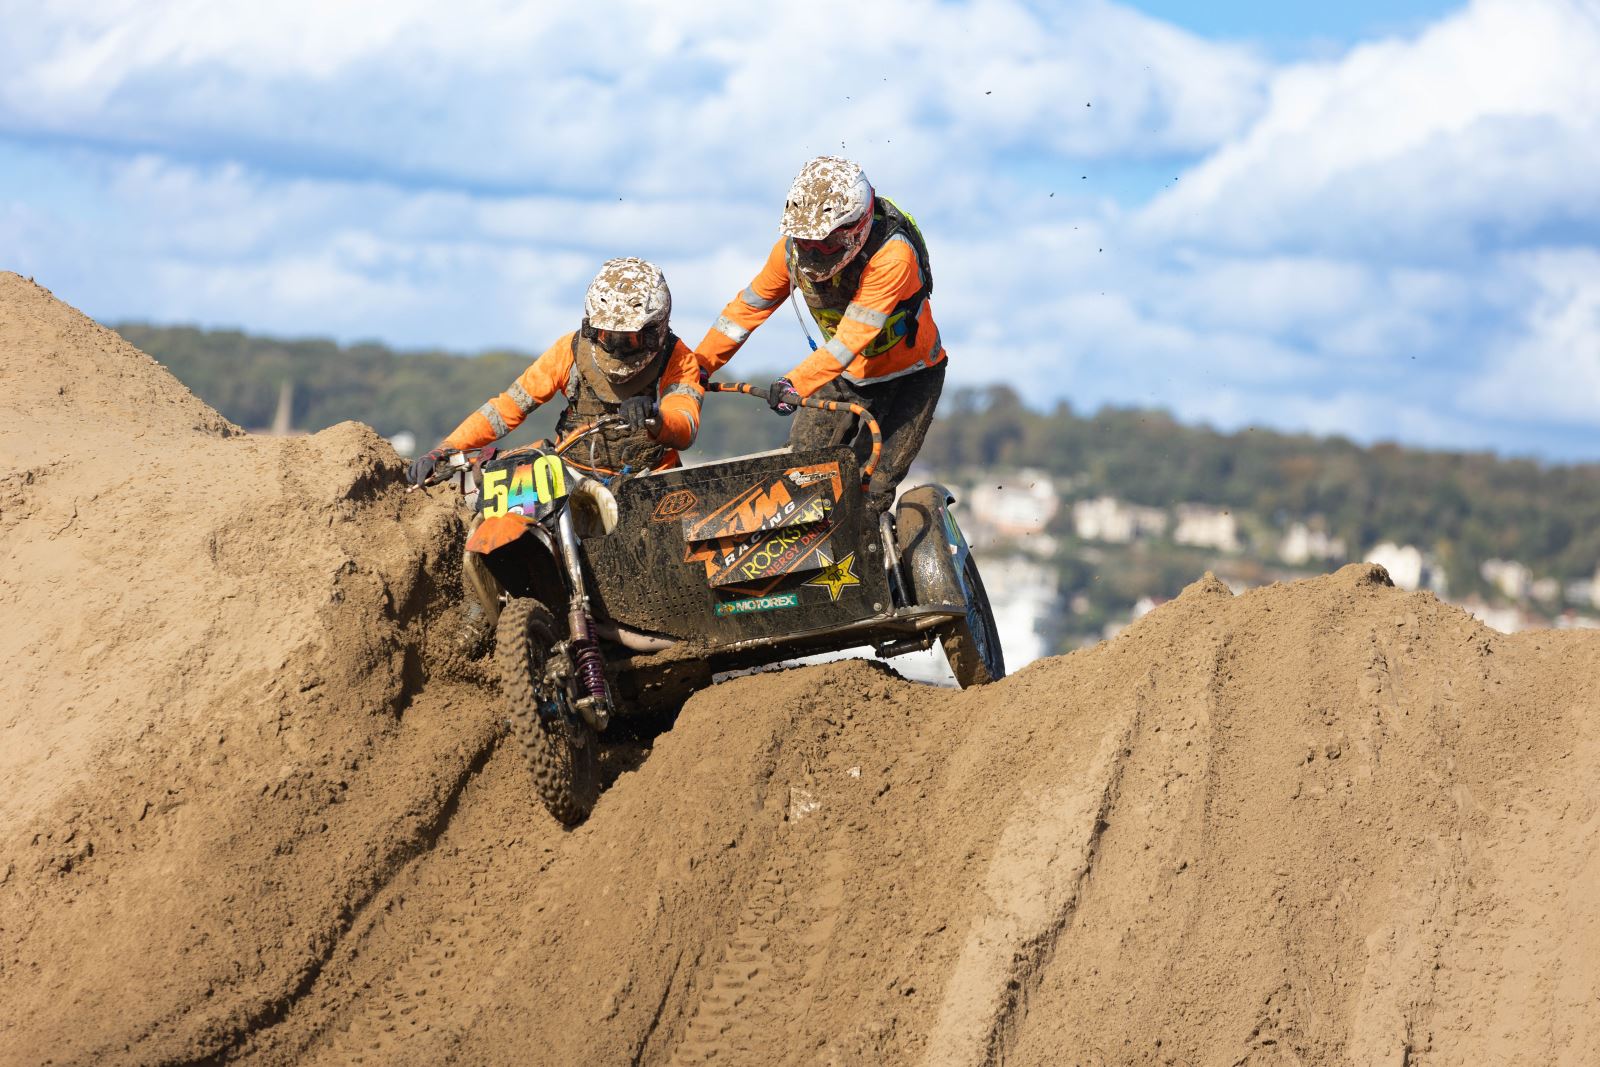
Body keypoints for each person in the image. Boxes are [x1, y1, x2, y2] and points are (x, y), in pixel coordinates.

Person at [694, 156, 946, 517]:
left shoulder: (893, 256)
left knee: (868, 492)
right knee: (795, 476)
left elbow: (849, 342)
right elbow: (745, 312)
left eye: (826, 245)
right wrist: (697, 367)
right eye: (805, 242)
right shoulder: (789, 254)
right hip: (841, 376)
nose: (813, 255)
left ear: (855, 227)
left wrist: (793, 382)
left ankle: (882, 561)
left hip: (910, 378)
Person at [408, 257, 704, 486]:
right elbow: (507, 409)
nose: (616, 347)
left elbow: (685, 423)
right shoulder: (570, 350)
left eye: (629, 338)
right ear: (591, 326)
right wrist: (446, 449)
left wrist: (657, 416)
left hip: (650, 481)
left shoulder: (678, 359)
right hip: (571, 476)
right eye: (605, 335)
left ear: (655, 330)